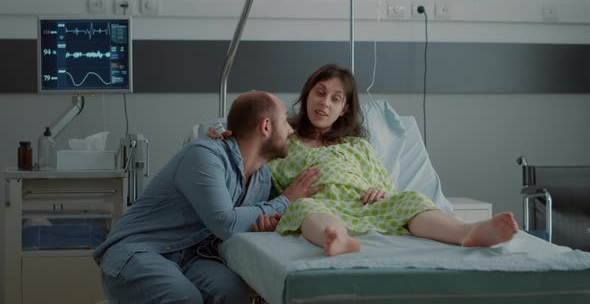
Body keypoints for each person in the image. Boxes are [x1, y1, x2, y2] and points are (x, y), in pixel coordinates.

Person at [214, 64, 519, 257]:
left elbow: (385, 188)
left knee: (411, 199)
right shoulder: (282, 140)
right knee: (307, 208)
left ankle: (466, 233)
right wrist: (224, 139)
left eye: (335, 98)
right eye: (319, 93)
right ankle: (338, 239)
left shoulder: (356, 146)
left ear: (344, 109)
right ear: (307, 95)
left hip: (363, 206)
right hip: (317, 205)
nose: (324, 103)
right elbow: (249, 163)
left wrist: (382, 194)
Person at [93, 91, 322, 303]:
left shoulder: (262, 180)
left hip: (192, 257)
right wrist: (286, 200)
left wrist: (261, 225)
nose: (291, 131)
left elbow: (238, 227)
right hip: (139, 250)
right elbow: (225, 222)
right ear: (265, 126)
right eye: (285, 121)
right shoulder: (204, 155)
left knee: (232, 292)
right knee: (185, 298)